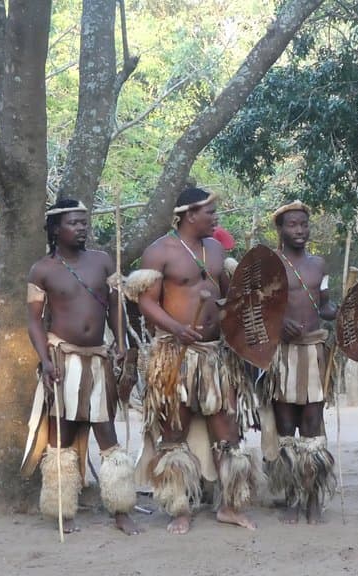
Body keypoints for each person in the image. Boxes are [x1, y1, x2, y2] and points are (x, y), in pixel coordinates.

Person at [126, 186, 258, 534]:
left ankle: (230, 506)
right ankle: (180, 508)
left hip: (215, 355)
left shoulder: (215, 249)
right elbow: (146, 301)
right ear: (188, 215)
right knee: (174, 432)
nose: (216, 218)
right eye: (210, 212)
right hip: (176, 354)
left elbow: (228, 295)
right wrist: (176, 328)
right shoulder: (159, 251)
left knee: (228, 432)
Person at [26, 198, 138, 535]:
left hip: (98, 358)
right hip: (63, 358)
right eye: (73, 223)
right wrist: (45, 360)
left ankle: (121, 509)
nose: (81, 228)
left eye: (84, 222)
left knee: (107, 433)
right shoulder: (42, 270)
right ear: (55, 229)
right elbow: (34, 321)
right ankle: (62, 509)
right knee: (61, 434)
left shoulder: (102, 261)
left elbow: (116, 308)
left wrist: (121, 344)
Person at [261, 200, 339, 524]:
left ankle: (313, 497)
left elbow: (324, 305)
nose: (300, 230)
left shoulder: (318, 265)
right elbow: (256, 311)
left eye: (304, 224)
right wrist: (279, 324)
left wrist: (342, 311)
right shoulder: (269, 265)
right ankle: (292, 497)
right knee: (286, 427)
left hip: (313, 351)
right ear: (280, 229)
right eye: (292, 225)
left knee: (312, 426)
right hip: (283, 355)